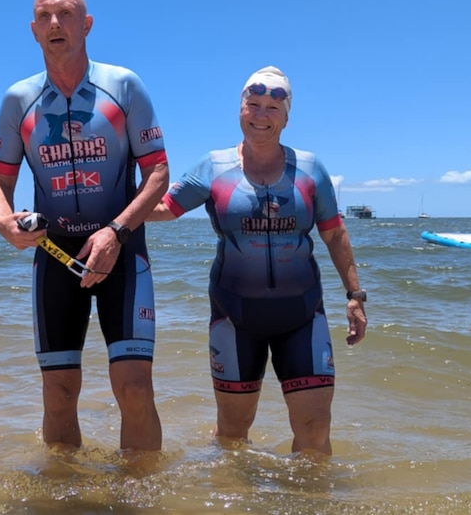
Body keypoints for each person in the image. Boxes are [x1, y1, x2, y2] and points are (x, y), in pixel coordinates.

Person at [0, 0, 169, 451]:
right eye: (44, 16)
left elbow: (158, 174)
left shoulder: (124, 86)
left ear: (86, 25)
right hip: (55, 258)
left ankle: (140, 497)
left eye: (65, 14)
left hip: (122, 252)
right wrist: (6, 222)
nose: (54, 24)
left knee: (134, 389)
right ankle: (63, 498)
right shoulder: (17, 100)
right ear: (32, 31)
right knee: (59, 395)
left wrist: (116, 232)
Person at [148, 66, 367, 456]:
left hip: (302, 316)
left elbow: (333, 233)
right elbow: (164, 208)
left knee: (315, 430)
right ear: (240, 109)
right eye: (253, 105)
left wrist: (355, 295)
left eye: (272, 108)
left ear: (286, 117)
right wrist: (105, 209)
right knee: (232, 434)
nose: (261, 115)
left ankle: (313, 503)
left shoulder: (311, 168)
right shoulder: (212, 166)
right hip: (235, 319)